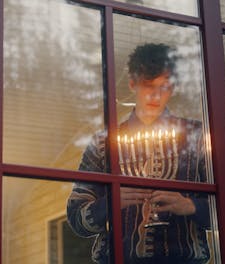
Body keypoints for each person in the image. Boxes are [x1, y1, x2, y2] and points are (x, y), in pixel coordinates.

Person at [67, 43, 210, 264]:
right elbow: (77, 218)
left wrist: (190, 205)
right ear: (132, 83)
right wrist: (109, 204)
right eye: (148, 85)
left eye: (164, 86)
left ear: (173, 88)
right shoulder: (103, 143)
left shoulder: (197, 136)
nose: (155, 94)